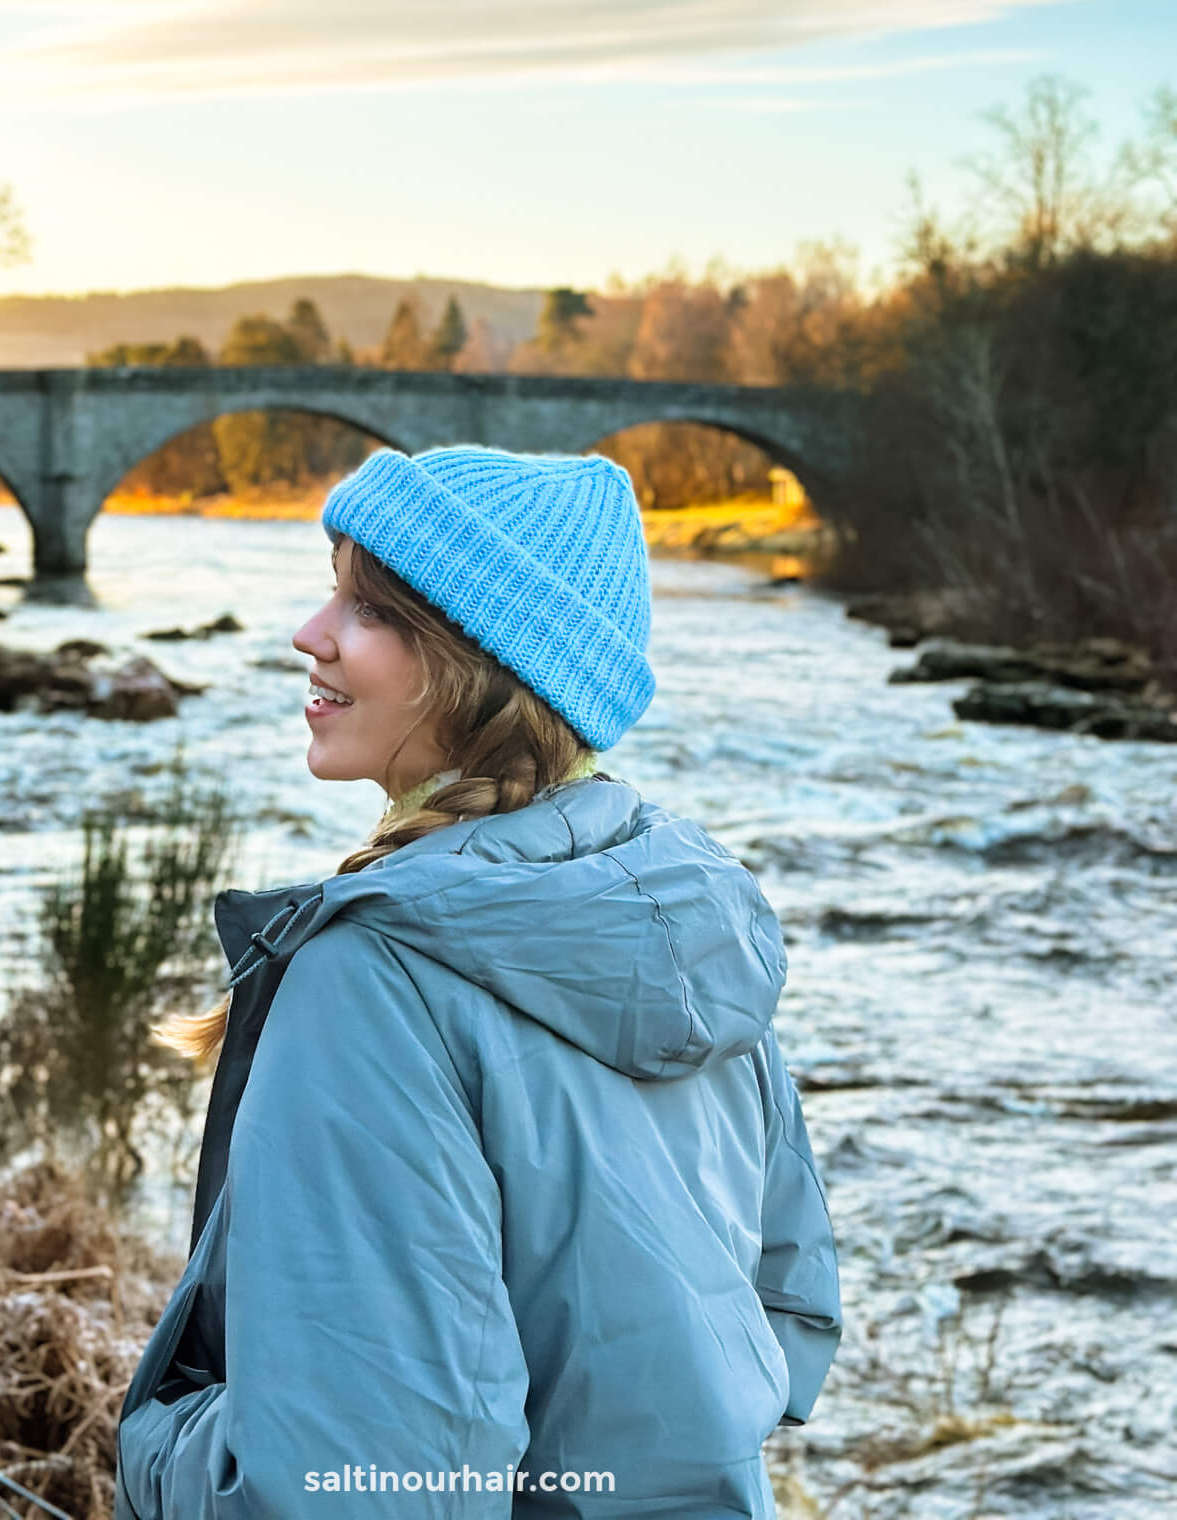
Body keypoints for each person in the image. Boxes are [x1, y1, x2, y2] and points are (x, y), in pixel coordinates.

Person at [115, 444, 841, 1519]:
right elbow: (788, 1316)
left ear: (469, 664)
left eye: (365, 609)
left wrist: (157, 1445)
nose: (309, 635)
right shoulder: (681, 910)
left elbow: (355, 1485)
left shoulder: (372, 973)